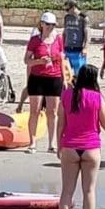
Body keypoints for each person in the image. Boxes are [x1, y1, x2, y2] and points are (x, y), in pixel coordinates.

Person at [57, 64, 105, 209]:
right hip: (91, 148)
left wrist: (59, 145)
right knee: (89, 191)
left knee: (67, 191)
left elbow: (61, 123)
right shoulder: (97, 97)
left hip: (70, 146)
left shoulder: (67, 95)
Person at [24, 11, 64, 154]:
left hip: (54, 77)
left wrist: (65, 79)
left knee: (52, 112)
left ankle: (51, 143)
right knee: (35, 110)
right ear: (41, 24)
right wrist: (39, 61)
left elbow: (62, 60)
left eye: (52, 25)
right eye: (47, 24)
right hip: (37, 77)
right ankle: (32, 142)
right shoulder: (35, 40)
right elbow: (26, 60)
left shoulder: (58, 39)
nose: (50, 27)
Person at [63, 1, 88, 76]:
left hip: (78, 49)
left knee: (79, 73)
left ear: (73, 7)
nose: (66, 11)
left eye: (67, 9)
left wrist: (85, 47)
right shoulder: (67, 17)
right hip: (67, 48)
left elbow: (87, 34)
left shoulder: (83, 18)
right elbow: (64, 32)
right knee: (67, 73)